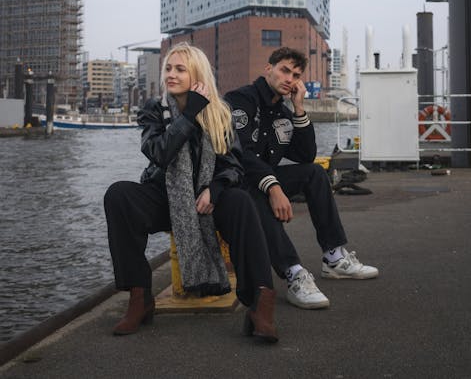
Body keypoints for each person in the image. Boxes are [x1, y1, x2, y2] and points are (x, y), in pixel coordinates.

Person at [104, 43, 278, 342]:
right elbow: (159, 153)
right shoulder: (153, 110)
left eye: (180, 69)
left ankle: (260, 302)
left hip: (207, 198)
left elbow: (233, 165)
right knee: (118, 195)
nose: (171, 74)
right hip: (165, 196)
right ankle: (139, 296)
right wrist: (189, 114)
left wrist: (215, 188)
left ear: (196, 74)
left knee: (242, 202)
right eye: (168, 69)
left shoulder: (221, 112)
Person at [225, 46, 378, 310]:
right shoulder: (240, 100)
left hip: (263, 180)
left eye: (295, 75)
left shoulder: (283, 112)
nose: (289, 78)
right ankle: (293, 272)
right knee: (255, 196)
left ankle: (333, 257)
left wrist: (298, 109)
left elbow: (305, 156)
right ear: (268, 69)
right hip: (235, 185)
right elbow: (240, 154)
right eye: (284, 70)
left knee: (315, 173)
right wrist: (273, 187)